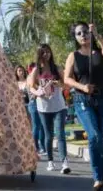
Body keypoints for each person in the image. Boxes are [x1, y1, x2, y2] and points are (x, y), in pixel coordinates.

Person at [64, 22, 103, 191]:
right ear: (75, 38)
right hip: (82, 99)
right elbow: (67, 79)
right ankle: (97, 178)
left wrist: (98, 35)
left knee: (102, 137)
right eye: (79, 33)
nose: (83, 35)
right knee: (94, 136)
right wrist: (82, 87)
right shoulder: (73, 56)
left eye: (85, 32)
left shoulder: (99, 52)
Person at [30, 45, 70, 174]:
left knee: (60, 134)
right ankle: (50, 162)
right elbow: (30, 87)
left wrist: (60, 85)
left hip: (59, 106)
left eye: (48, 51)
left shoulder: (57, 68)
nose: (46, 54)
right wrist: (37, 92)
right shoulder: (36, 70)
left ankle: (65, 163)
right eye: (43, 52)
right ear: (39, 54)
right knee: (48, 135)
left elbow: (67, 84)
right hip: (43, 107)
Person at [20, 64, 45, 156]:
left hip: (41, 103)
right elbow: (31, 93)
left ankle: (42, 147)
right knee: (36, 126)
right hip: (33, 103)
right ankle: (35, 147)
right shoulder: (30, 79)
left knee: (42, 126)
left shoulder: (38, 77)